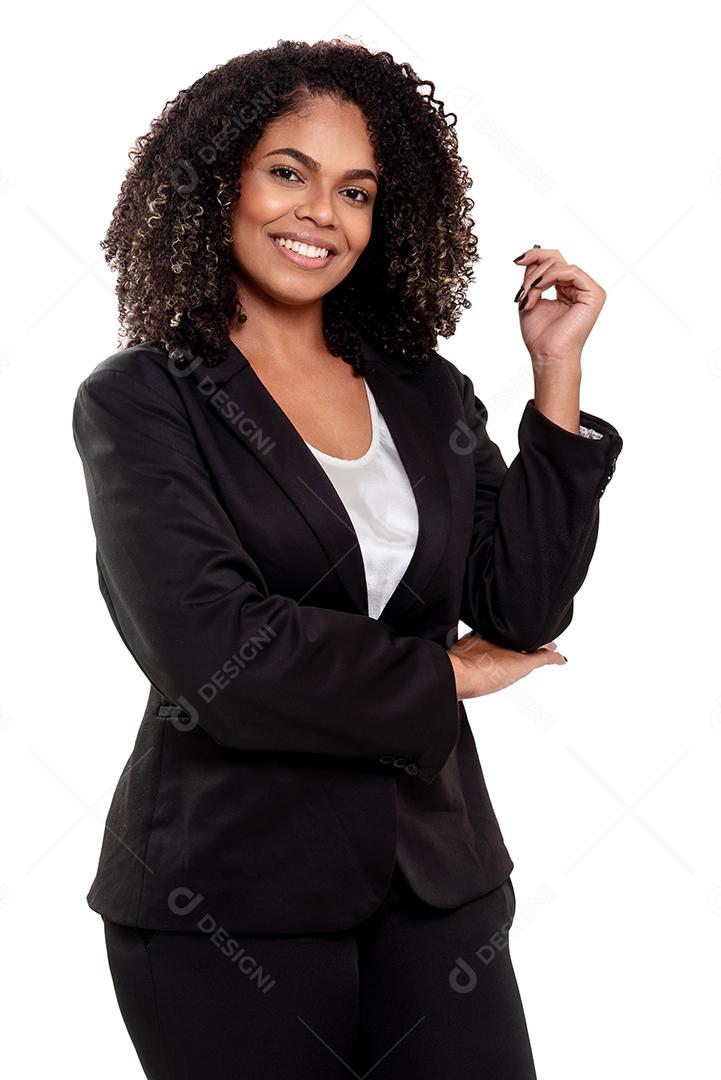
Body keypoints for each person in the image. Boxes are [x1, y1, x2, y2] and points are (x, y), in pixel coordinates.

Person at [72, 38, 623, 1080]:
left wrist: (555, 377)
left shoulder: (423, 393)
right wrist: (443, 673)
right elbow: (215, 655)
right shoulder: (144, 401)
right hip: (229, 895)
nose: (320, 212)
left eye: (357, 190)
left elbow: (523, 600)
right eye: (288, 171)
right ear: (218, 180)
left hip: (436, 877)